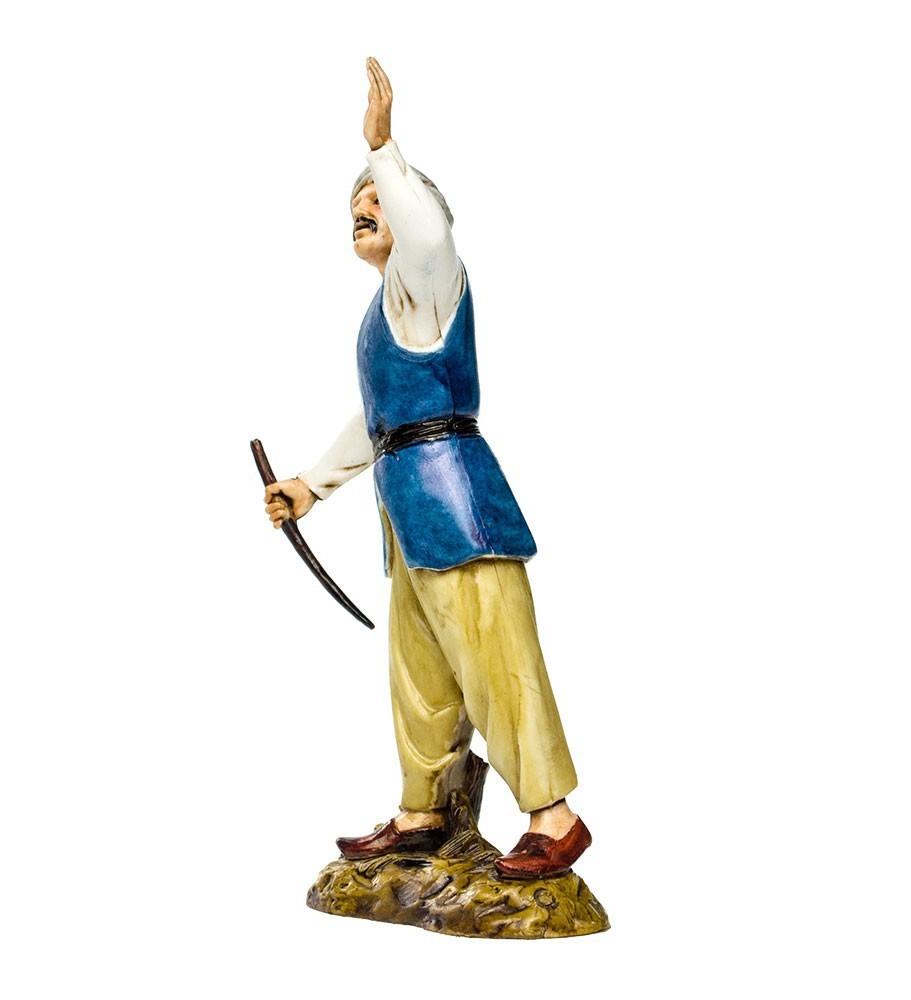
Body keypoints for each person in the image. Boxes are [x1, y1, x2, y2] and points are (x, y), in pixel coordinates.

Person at [264, 58, 590, 879]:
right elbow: (379, 423)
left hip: (459, 506)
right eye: (355, 203)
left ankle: (554, 818)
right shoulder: (384, 315)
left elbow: (431, 235)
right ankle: (423, 811)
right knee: (419, 673)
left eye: (378, 200)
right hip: (408, 514)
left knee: (496, 660)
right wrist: (309, 486)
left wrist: (382, 150)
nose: (362, 209)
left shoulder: (432, 279)